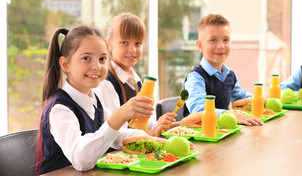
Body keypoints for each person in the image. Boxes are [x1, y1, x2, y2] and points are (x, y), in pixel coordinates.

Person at [36, 26, 155, 174]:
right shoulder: (59, 108)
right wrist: (120, 116)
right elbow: (81, 161)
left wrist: (156, 142)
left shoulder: (94, 100)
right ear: (65, 64)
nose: (96, 67)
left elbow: (119, 136)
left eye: (102, 59)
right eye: (86, 58)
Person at [94, 13, 178, 137]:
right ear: (109, 44)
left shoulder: (135, 80)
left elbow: (141, 126)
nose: (132, 49)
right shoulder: (106, 83)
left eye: (138, 43)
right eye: (124, 42)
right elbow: (115, 136)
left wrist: (158, 125)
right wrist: (153, 132)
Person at [183, 14, 263, 126]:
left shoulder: (230, 75)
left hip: (223, 132)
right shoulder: (195, 77)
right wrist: (232, 115)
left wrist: (263, 101)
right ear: (200, 46)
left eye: (226, 40)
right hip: (198, 137)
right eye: (213, 40)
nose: (221, 46)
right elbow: (199, 110)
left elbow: (241, 98)